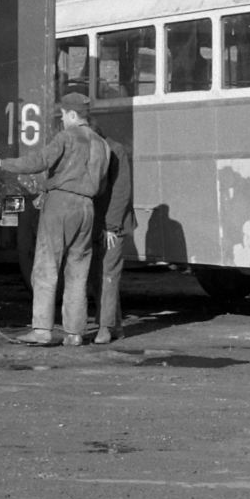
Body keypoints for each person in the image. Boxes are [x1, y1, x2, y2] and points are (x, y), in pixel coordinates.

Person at [0, 92, 110, 346]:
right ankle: (75, 333)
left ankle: (42, 329)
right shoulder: (102, 144)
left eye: (64, 115)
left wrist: (4, 163)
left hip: (61, 205)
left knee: (46, 266)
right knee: (78, 270)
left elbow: (39, 161)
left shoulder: (66, 137)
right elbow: (103, 184)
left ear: (73, 114)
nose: (62, 119)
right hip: (87, 207)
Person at [89, 125, 135, 344]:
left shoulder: (116, 151)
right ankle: (114, 325)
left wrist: (111, 226)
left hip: (112, 226)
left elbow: (121, 192)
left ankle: (105, 327)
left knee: (108, 275)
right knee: (99, 276)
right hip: (97, 223)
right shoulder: (90, 148)